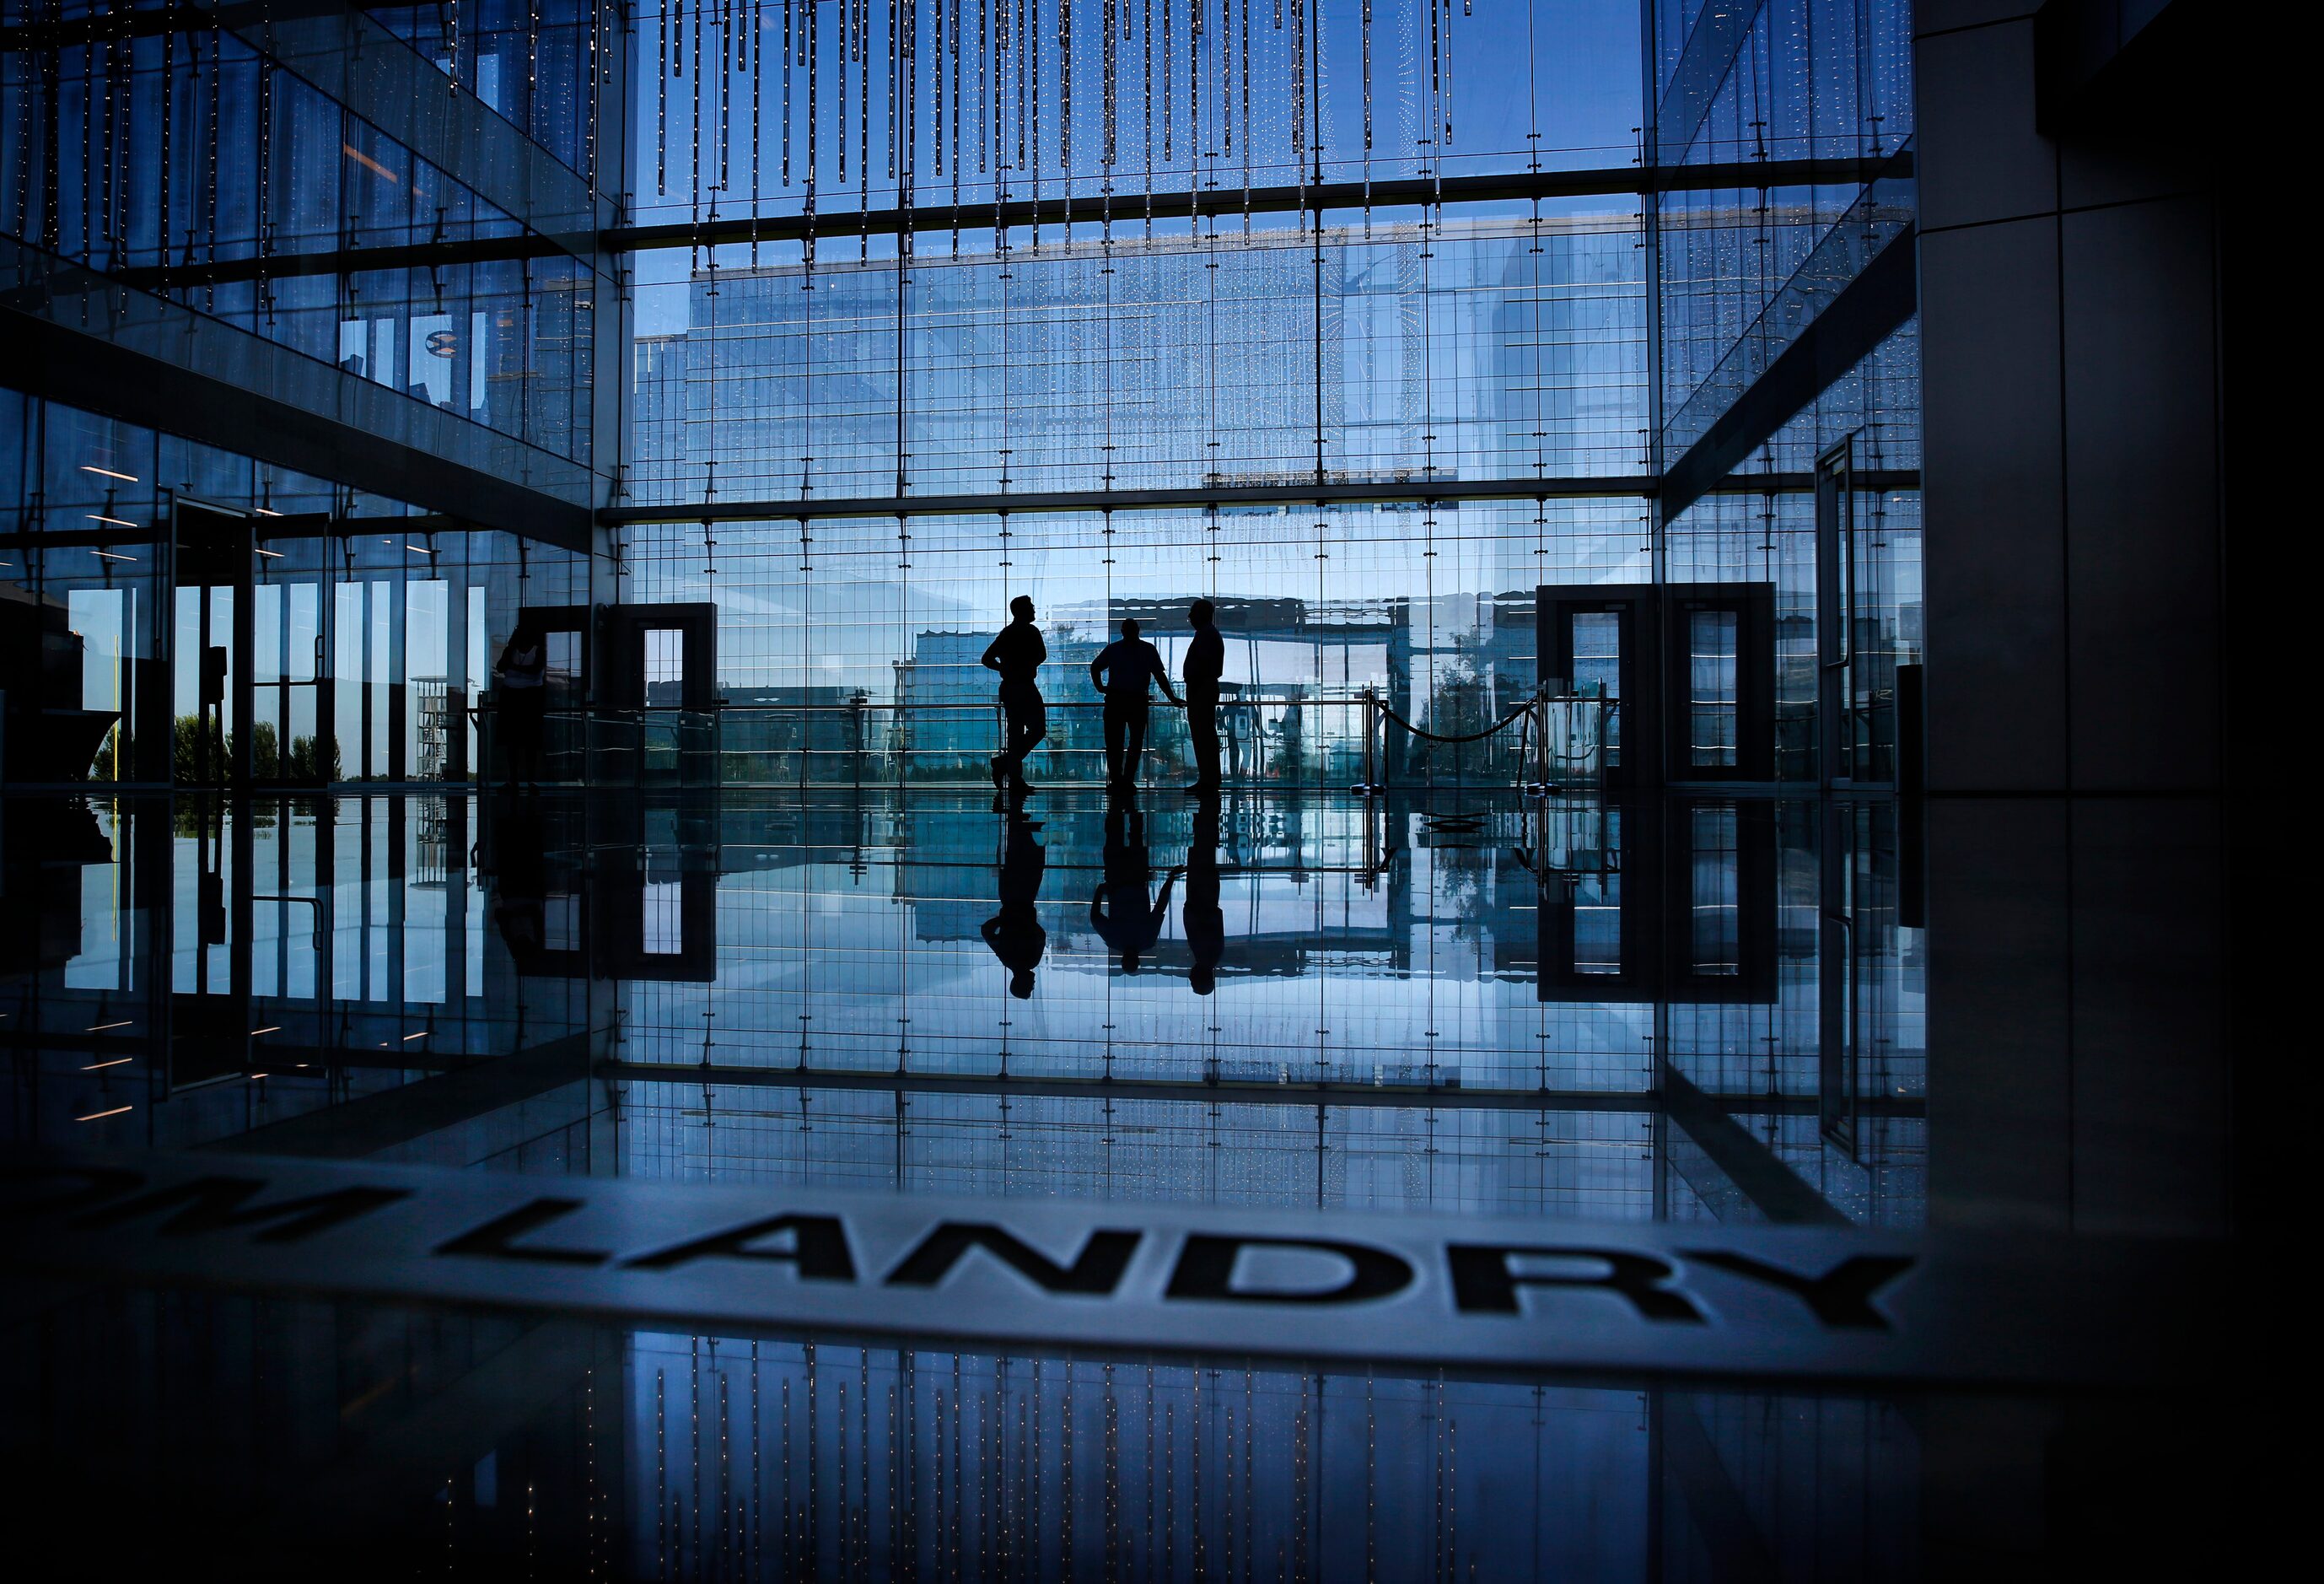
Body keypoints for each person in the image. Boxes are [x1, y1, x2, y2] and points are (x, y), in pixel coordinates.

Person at [1088, 616, 1181, 789]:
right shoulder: (1147, 649)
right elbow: (1160, 676)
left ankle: (1116, 780)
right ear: (1138, 631)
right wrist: (1172, 698)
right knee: (1135, 742)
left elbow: (1095, 667)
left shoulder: (1113, 649)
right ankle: (1128, 780)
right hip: (1137, 700)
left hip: (1115, 699)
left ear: (1123, 632)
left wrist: (1101, 688)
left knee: (1115, 743)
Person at [1089, 801, 1175, 975]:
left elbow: (1160, 906)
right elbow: (1096, 918)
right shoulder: (1114, 940)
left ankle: (1133, 805)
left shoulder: (1147, 940)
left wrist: (1171, 879)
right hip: (1117, 880)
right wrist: (1100, 891)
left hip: (1136, 878)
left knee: (1135, 836)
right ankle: (1119, 806)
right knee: (1115, 836)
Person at [981, 595, 1047, 794]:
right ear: (1023, 611)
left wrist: (1005, 668)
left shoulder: (1007, 634)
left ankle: (1007, 767)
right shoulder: (1030, 632)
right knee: (1037, 730)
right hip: (1025, 685)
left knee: (1016, 733)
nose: (1034, 610)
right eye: (1031, 607)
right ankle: (1010, 772)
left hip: (1011, 686)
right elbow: (1042, 655)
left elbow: (987, 658)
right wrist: (1026, 665)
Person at [979, 811, 1048, 999]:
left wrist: (1021, 922)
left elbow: (1041, 935)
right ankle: (1018, 826)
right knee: (1016, 861)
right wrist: (1005, 919)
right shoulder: (1007, 958)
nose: (1034, 984)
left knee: (1028, 865)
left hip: (1023, 901)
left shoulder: (1029, 960)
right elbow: (987, 931)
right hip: (1010, 899)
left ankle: (1020, 825)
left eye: (1030, 987)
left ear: (1022, 982)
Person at [1180, 794, 1225, 995]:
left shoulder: (1210, 956)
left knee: (1204, 850)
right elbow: (1207, 921)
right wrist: (1192, 910)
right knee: (1202, 850)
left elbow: (1217, 919)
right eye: (1192, 981)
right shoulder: (1206, 954)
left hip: (1206, 894)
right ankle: (1207, 810)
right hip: (1201, 895)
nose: (1189, 977)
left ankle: (1208, 812)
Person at [496, 620, 547, 788]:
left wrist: (513, 667)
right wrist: (519, 668)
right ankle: (518, 778)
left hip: (522, 696)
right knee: (517, 741)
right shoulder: (513, 651)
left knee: (524, 741)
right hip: (523, 696)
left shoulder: (534, 651)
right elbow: (502, 667)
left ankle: (522, 778)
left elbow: (534, 671)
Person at [1181, 598, 1225, 794]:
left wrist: (1195, 684)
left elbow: (1205, 667)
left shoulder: (1206, 635)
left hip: (1201, 690)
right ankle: (1208, 778)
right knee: (1204, 735)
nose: (1189, 616)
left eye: (1193, 612)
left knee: (1203, 736)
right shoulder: (1207, 634)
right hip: (1202, 688)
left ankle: (1208, 779)